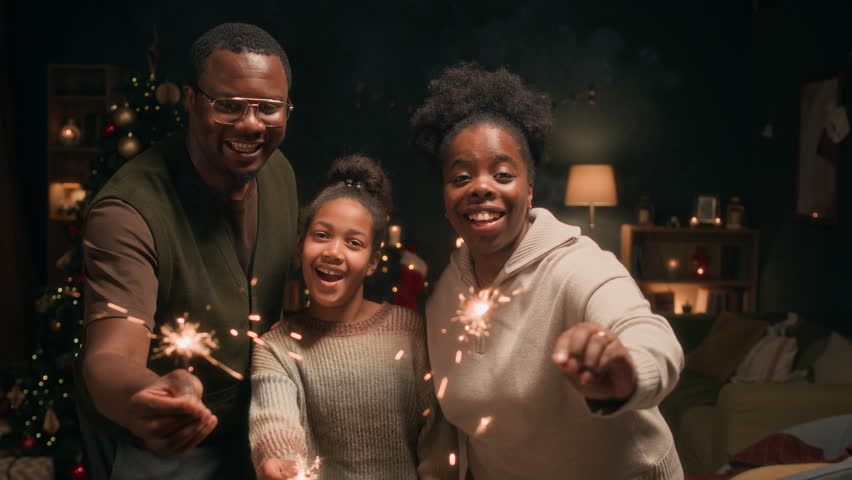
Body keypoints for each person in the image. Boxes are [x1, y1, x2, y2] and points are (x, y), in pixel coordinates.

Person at [410, 62, 685, 479]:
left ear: (530, 187)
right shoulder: (446, 292)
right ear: (446, 196)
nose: (481, 187)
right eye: (461, 176)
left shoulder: (578, 266)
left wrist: (626, 370)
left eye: (503, 174)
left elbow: (652, 337)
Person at [76, 23, 298, 479]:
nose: (252, 124)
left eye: (269, 108)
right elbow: (109, 357)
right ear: (191, 100)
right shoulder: (129, 211)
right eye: (229, 106)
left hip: (259, 433)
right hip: (165, 450)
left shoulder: (280, 174)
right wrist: (152, 396)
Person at [248, 155, 456, 480]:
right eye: (321, 235)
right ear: (301, 245)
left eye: (353, 243)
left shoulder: (410, 332)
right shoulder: (276, 346)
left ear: (372, 262)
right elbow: (273, 421)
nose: (333, 251)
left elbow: (438, 442)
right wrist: (279, 460)